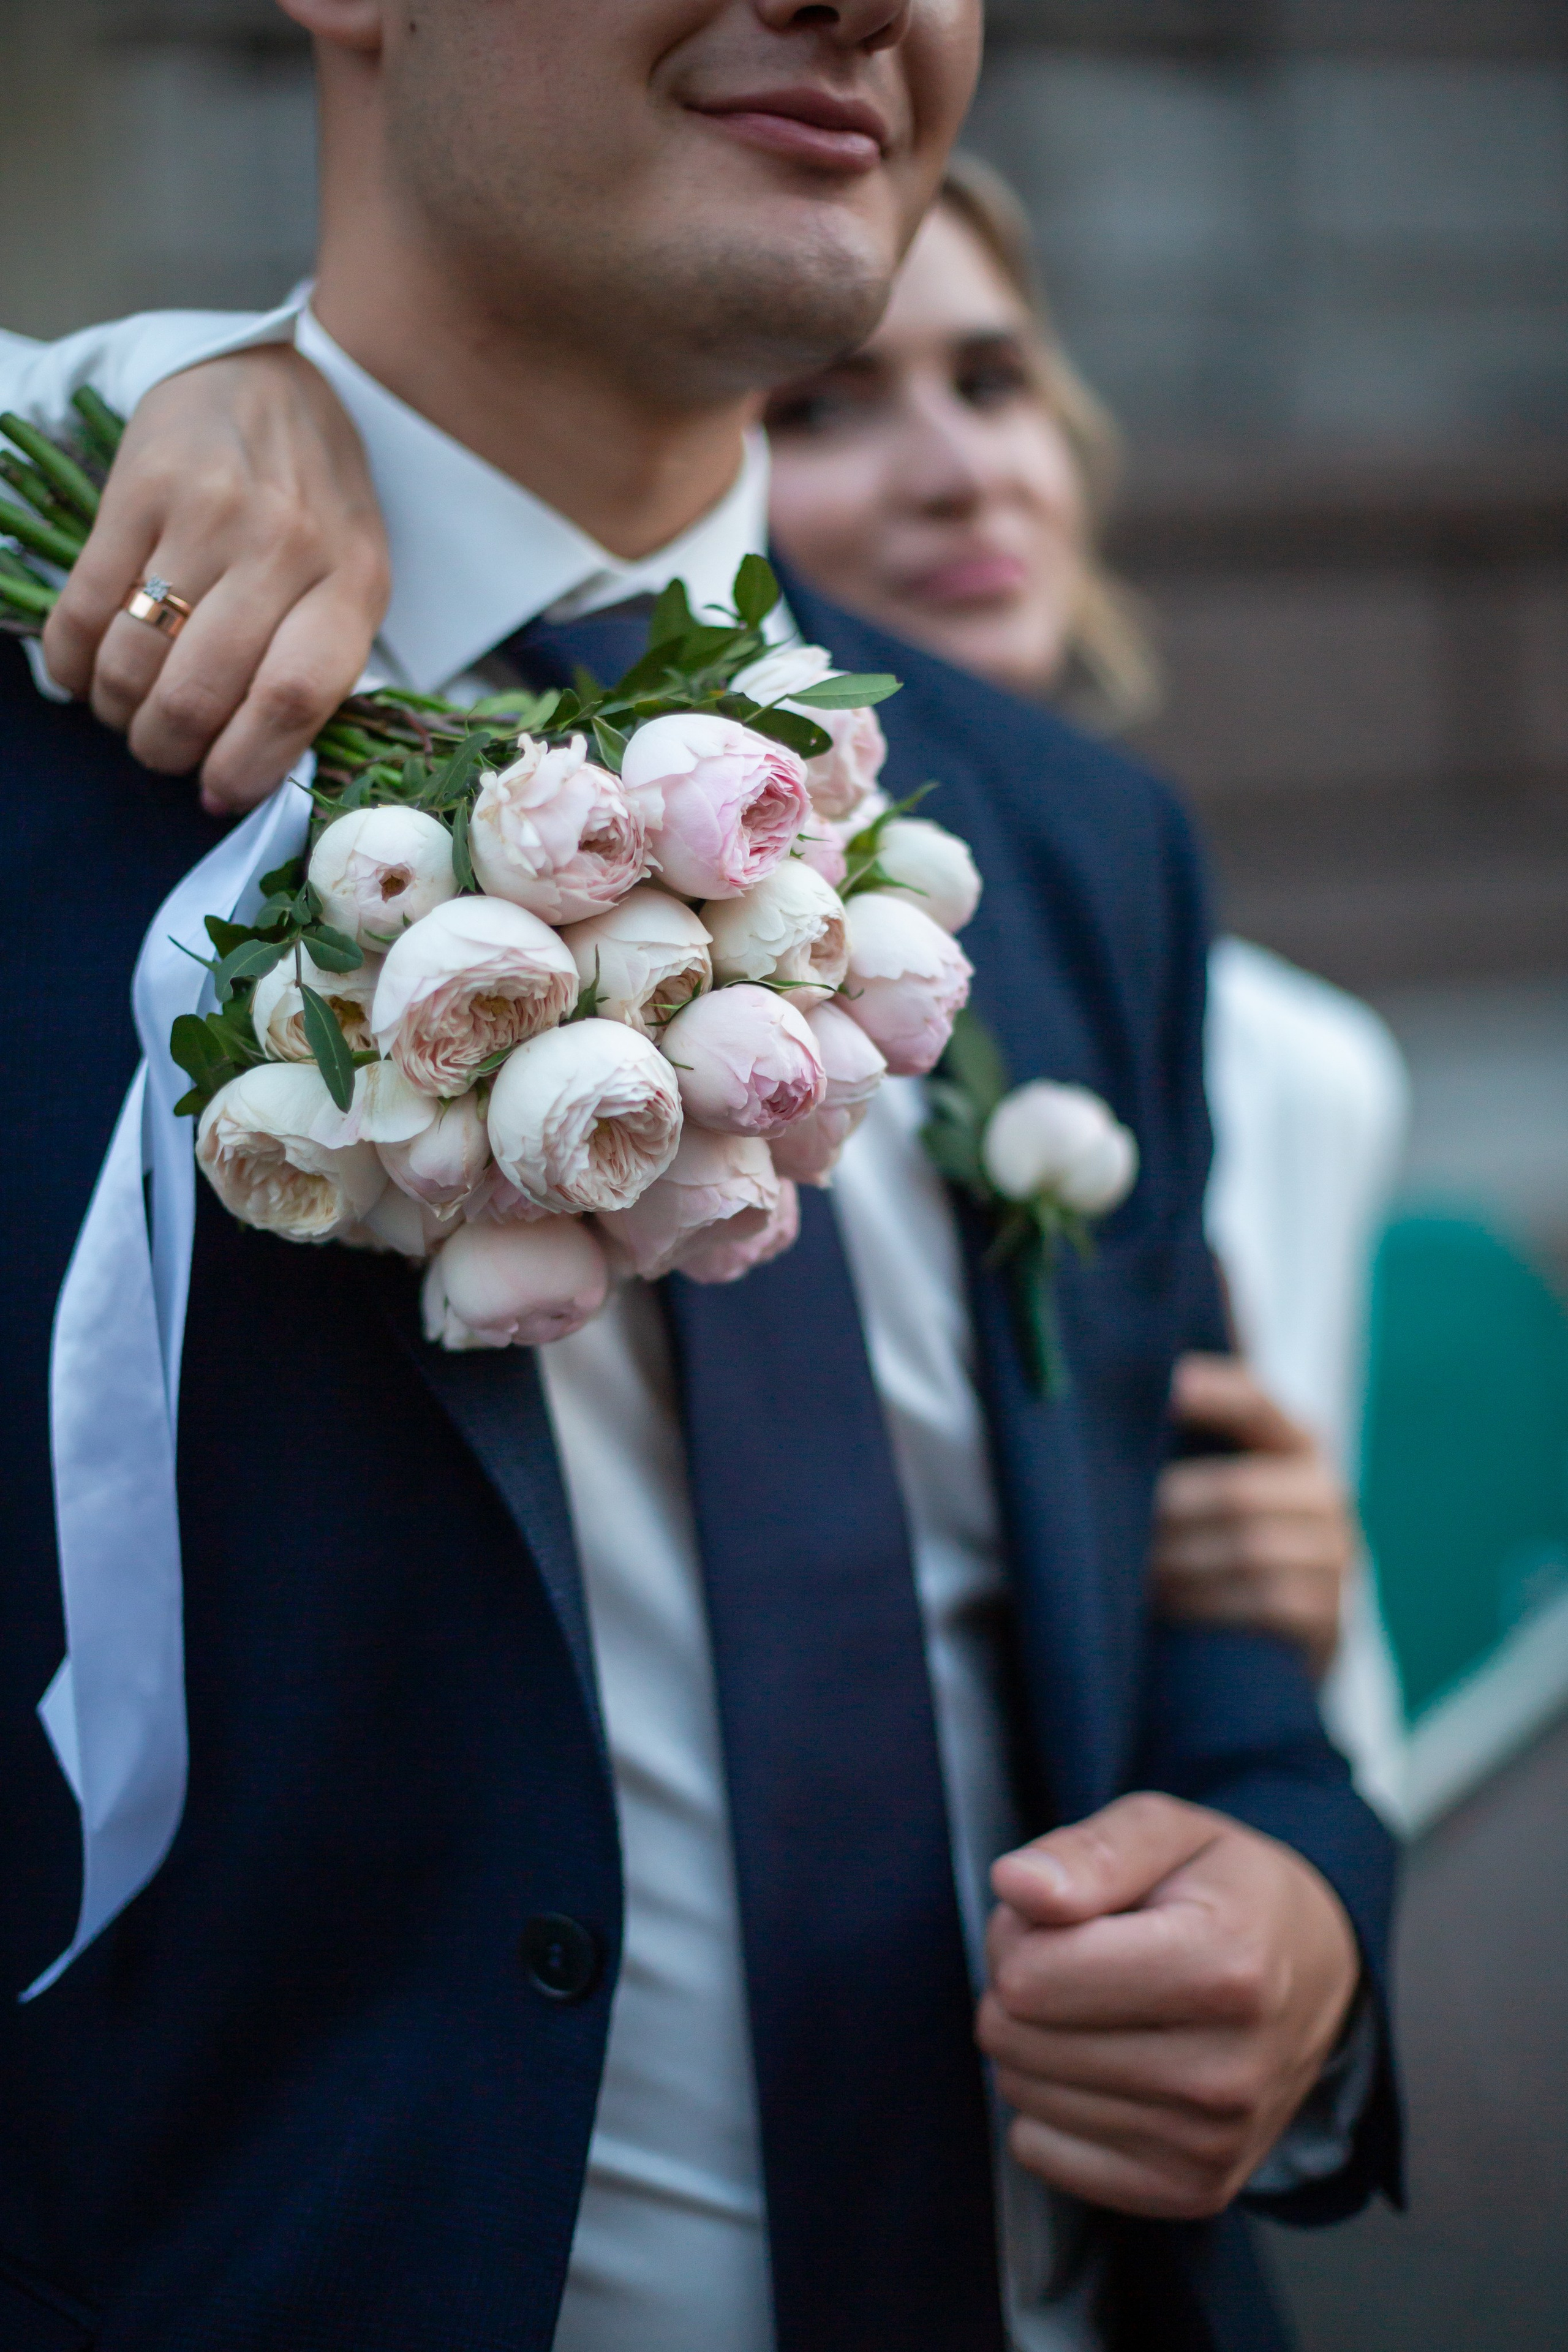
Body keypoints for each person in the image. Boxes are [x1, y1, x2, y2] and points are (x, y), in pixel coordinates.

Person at [0, 7, 1398, 2351]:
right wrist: (170, 368)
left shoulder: (1071, 848)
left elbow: (1197, 1655)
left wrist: (1302, 1901)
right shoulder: (54, 767)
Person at [761, 154, 1411, 1799]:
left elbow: (1333, 1716)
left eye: (995, 383)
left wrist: (1289, 1613)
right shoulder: (691, 1035)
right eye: (823, 412)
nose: (963, 473)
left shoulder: (1302, 1065)